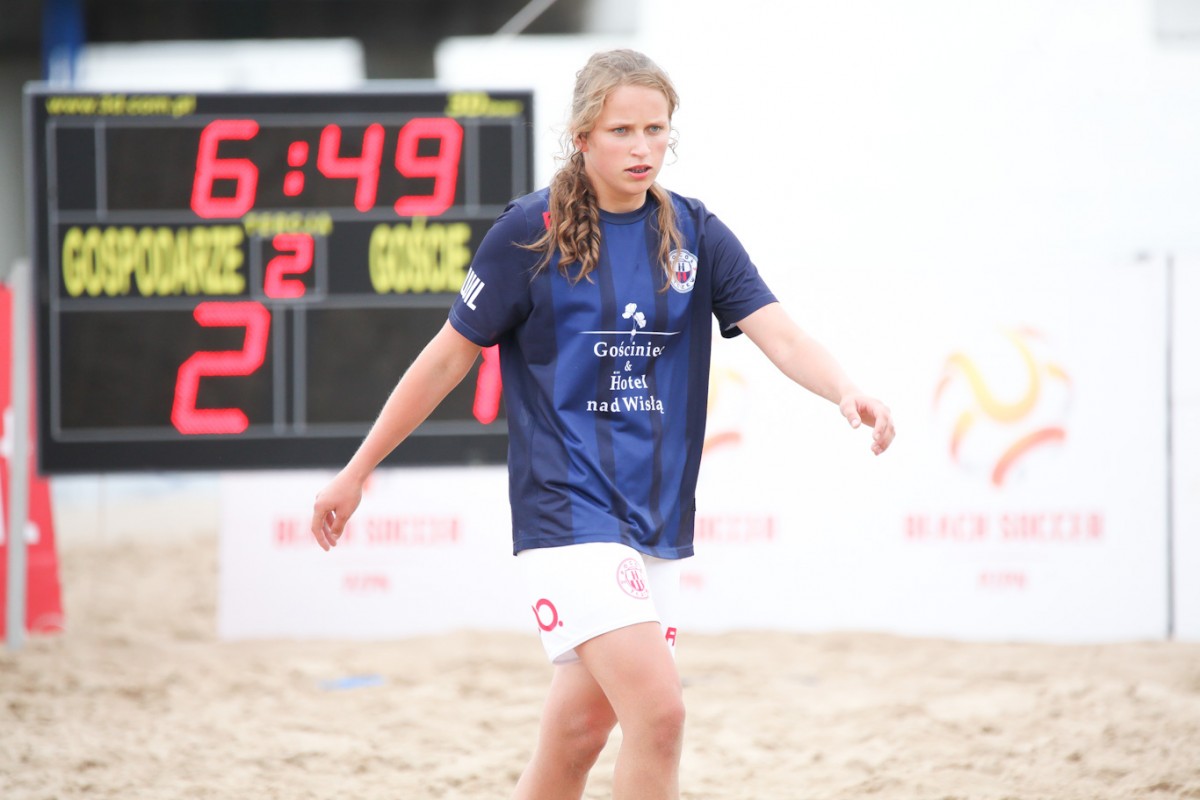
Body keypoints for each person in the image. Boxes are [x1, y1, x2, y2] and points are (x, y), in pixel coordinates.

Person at [311, 48, 895, 800]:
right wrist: (358, 470)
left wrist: (846, 389)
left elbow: (779, 334)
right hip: (567, 513)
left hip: (655, 516)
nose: (642, 147)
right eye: (622, 130)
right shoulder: (528, 232)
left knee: (578, 738)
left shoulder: (696, 232)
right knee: (660, 716)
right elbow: (446, 358)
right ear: (582, 136)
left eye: (656, 129)